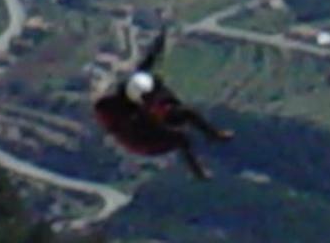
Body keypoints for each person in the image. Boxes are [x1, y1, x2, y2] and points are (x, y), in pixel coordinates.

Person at [93, 29, 232, 179]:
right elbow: (142, 120)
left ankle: (213, 136)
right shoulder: (120, 111)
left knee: (186, 115)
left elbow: (144, 68)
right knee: (182, 137)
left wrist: (158, 46)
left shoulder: (128, 94)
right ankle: (198, 171)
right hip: (143, 139)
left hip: (148, 123)